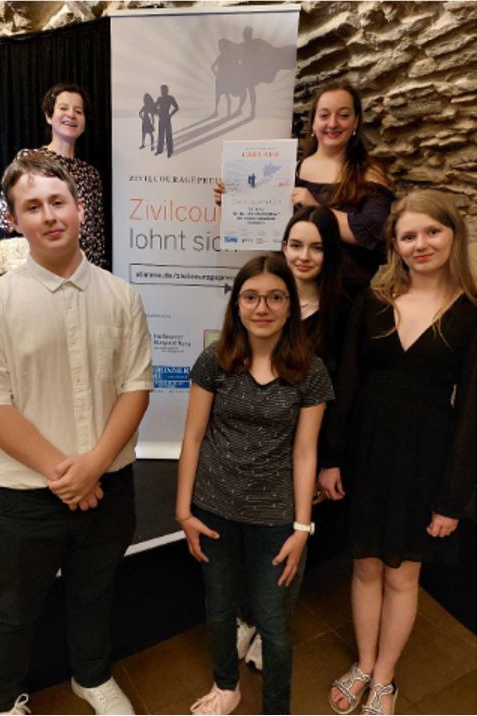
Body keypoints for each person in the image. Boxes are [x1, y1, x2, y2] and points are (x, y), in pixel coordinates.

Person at [0, 153, 153, 715]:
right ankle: (3, 703)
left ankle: (90, 678)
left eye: (57, 201)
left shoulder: (121, 296)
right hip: (21, 498)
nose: (48, 216)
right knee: (11, 611)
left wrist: (93, 467)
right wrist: (66, 474)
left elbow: (136, 388)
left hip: (109, 488)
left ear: (79, 209)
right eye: (32, 207)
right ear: (15, 220)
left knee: (94, 594)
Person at [318, 190, 476, 715]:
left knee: (403, 574)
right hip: (366, 452)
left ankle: (385, 677)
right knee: (364, 565)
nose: (420, 243)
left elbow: (471, 414)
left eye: (432, 231)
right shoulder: (373, 300)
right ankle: (364, 663)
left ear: (453, 234)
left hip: (425, 460)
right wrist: (331, 458)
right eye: (409, 235)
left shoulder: (471, 313)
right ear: (395, 244)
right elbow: (347, 382)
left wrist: (453, 499)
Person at [176, 253, 333, 714]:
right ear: (237, 305)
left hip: (275, 518)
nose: (262, 307)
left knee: (275, 627)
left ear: (290, 306)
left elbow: (305, 452)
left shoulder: (310, 371)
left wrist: (301, 528)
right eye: (251, 297)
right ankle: (226, 686)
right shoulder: (214, 360)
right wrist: (183, 512)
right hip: (213, 509)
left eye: (275, 297)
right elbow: (193, 437)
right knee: (219, 609)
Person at [237, 206, 349, 670]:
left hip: (307, 448)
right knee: (250, 537)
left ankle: (273, 627)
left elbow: (346, 390)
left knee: (291, 541)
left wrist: (329, 459)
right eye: (295, 244)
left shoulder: (342, 313)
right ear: (282, 247)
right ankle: (247, 616)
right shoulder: (265, 298)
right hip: (256, 444)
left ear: (330, 253)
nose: (304, 256)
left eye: (316, 247)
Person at [214, 80, 394, 294]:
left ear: (355, 122)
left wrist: (317, 207)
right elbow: (270, 234)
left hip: (346, 296)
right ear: (313, 123)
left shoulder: (370, 173)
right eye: (324, 115)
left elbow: (373, 233)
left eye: (343, 115)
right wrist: (234, 203)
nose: (333, 123)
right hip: (291, 292)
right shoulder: (289, 172)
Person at [0, 82, 107, 268]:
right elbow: (4, 217)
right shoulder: (30, 160)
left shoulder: (91, 175)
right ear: (49, 116)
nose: (71, 114)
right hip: (39, 268)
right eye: (63, 108)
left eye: (78, 111)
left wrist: (95, 271)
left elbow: (96, 236)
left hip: (79, 270)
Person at [155, 84, 179, 158]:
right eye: (161, 90)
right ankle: (160, 150)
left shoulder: (170, 98)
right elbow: (154, 107)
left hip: (167, 118)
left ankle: (169, 151)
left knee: (168, 135)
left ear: (166, 90)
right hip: (162, 118)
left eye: (163, 90)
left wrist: (170, 115)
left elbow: (176, 107)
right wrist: (157, 112)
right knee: (161, 135)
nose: (162, 91)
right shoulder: (159, 98)